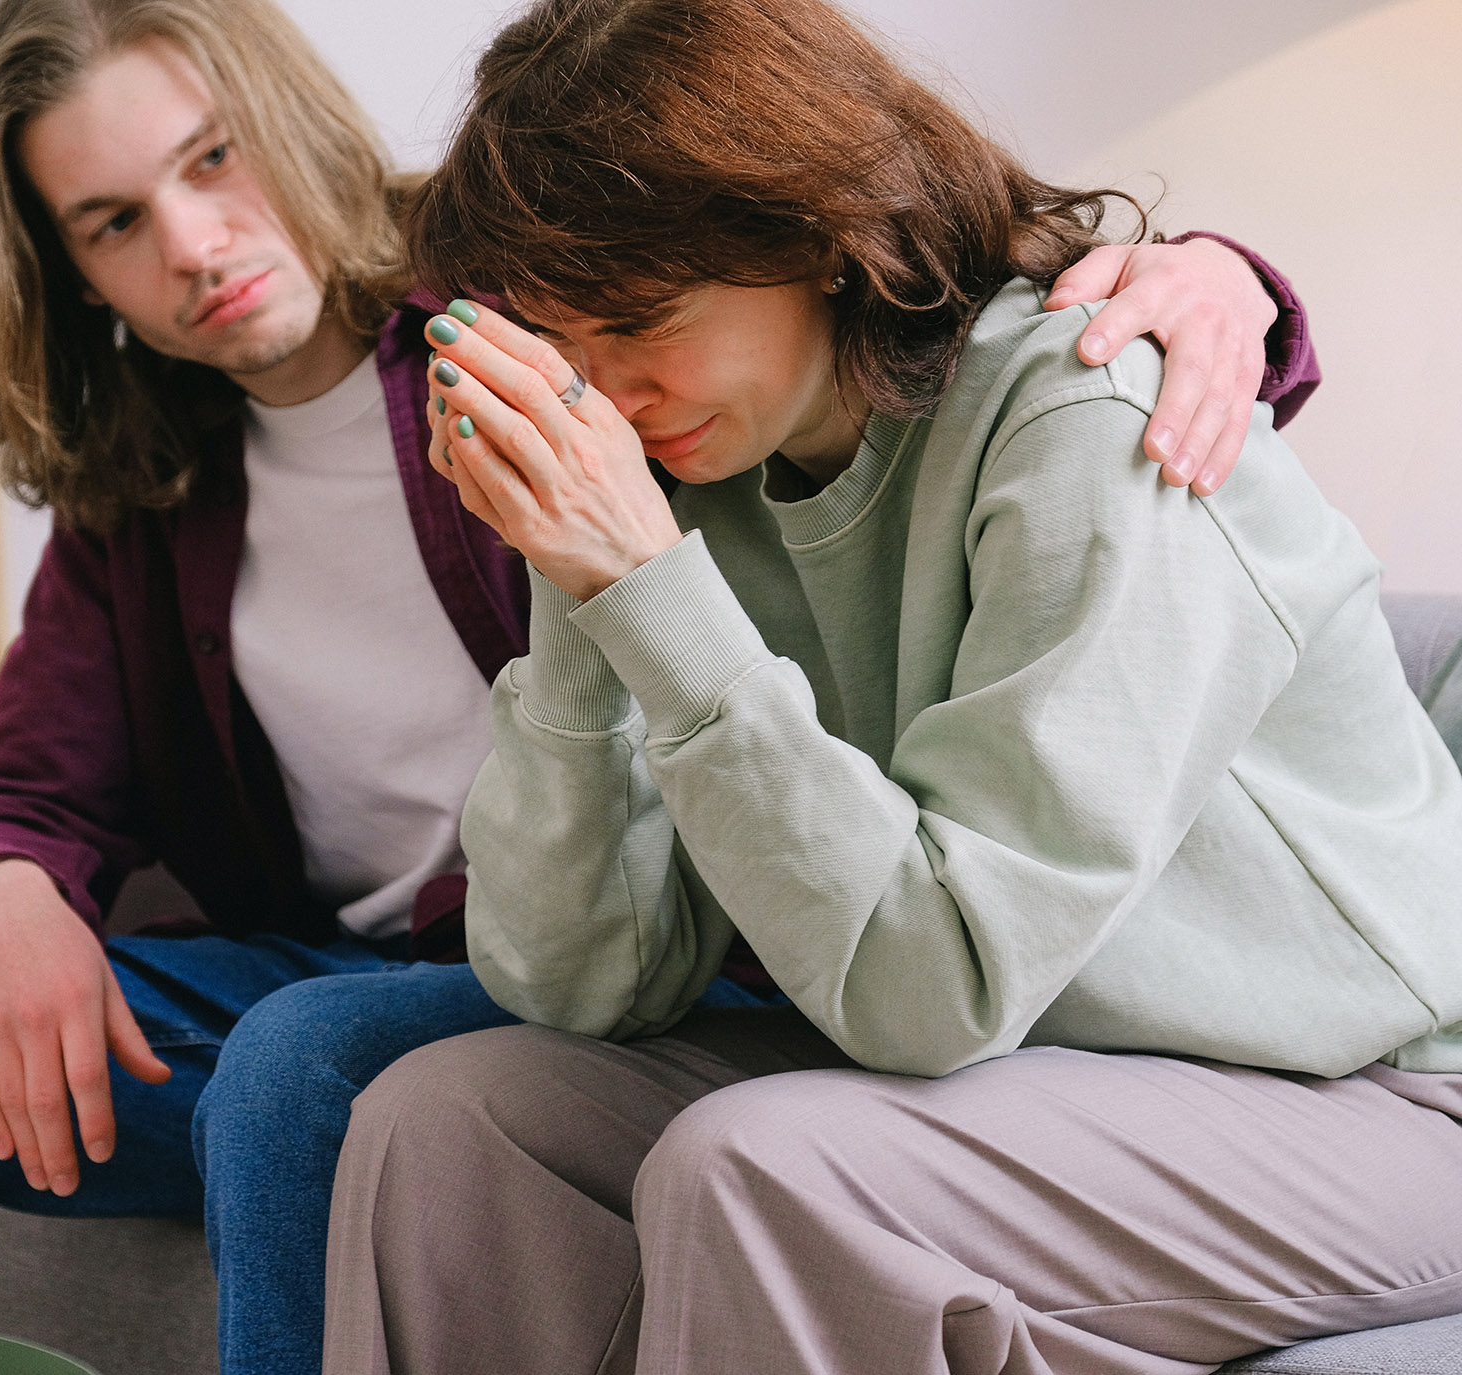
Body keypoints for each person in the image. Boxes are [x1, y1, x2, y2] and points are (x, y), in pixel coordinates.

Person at [0, 0, 1317, 1370]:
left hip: (649, 953)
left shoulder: (543, 312)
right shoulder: (151, 470)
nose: (193, 245)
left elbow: (931, 318)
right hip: (356, 966)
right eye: (113, 221)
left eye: (210, 158)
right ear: (67, 268)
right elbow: (19, 780)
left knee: (306, 1059)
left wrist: (1224, 282)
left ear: (286, 118)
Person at [320, 1, 1462, 1372]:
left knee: (769, 1166)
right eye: (562, 346)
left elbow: (938, 986)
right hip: (1040, 1074)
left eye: (636, 321)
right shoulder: (696, 462)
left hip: (1376, 1100)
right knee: (448, 1120)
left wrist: (649, 589)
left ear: (806, 232)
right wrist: (580, 585)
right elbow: (581, 984)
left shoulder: (1091, 416)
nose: (603, 394)